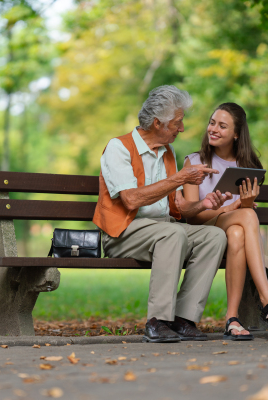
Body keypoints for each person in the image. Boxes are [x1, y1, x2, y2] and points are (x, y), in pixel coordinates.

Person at [93, 85, 231, 343]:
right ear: (158, 123)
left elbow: (177, 205)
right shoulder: (118, 148)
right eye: (177, 122)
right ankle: (157, 321)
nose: (181, 128)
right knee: (172, 233)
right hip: (124, 232)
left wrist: (204, 204)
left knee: (214, 236)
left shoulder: (167, 152)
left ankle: (183, 319)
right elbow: (131, 199)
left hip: (165, 230)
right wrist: (179, 177)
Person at [180, 102, 268, 341]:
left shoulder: (247, 167)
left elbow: (243, 219)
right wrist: (232, 207)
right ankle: (267, 299)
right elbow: (191, 216)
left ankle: (232, 319)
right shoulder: (194, 162)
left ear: (236, 134)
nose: (213, 129)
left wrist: (244, 204)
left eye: (222, 126)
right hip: (203, 231)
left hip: (231, 231)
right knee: (247, 215)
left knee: (237, 233)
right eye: (212, 123)